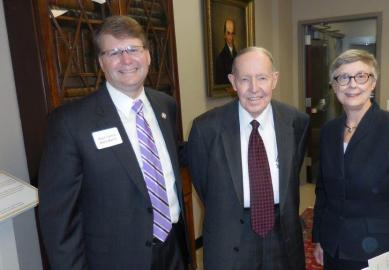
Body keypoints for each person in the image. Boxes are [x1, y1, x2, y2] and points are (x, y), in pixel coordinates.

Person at [38, 16, 189, 270]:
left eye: (133, 49)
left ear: (148, 55)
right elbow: (58, 219)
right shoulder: (70, 123)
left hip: (173, 250)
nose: (127, 60)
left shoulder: (166, 105)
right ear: (101, 63)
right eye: (114, 52)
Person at [188, 46, 309, 270]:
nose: (254, 89)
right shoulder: (206, 128)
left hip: (282, 235)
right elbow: (204, 186)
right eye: (245, 79)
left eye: (262, 78)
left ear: (274, 79)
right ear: (233, 82)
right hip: (230, 236)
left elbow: (291, 176)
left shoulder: (296, 122)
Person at [312, 49, 389, 270]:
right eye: (343, 77)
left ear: (373, 83)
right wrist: (319, 237)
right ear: (334, 86)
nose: (352, 84)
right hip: (333, 246)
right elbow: (323, 190)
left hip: (377, 253)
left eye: (361, 76)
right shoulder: (329, 131)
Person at [215, 18, 237, 84]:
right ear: (224, 35)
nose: (231, 37)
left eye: (232, 33)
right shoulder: (220, 58)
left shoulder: (237, 55)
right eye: (228, 33)